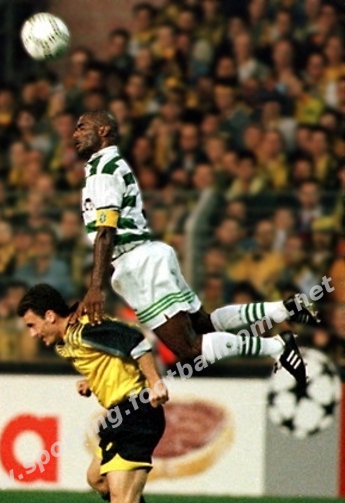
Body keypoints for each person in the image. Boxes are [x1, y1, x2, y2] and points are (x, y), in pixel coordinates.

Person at [71, 110, 321, 389]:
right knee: (204, 325)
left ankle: (278, 347)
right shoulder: (107, 166)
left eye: (82, 127)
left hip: (137, 264)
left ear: (103, 130)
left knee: (189, 349)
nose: (75, 134)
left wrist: (95, 286)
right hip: (149, 255)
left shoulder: (104, 171)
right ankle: (283, 308)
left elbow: (106, 231)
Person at [17, 283, 167, 503]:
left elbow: (136, 341)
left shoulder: (84, 331)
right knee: (97, 479)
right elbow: (111, 357)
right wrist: (93, 380)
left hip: (136, 413)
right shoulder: (70, 338)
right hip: (123, 415)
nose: (32, 334)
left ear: (50, 316)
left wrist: (155, 381)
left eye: (32, 325)